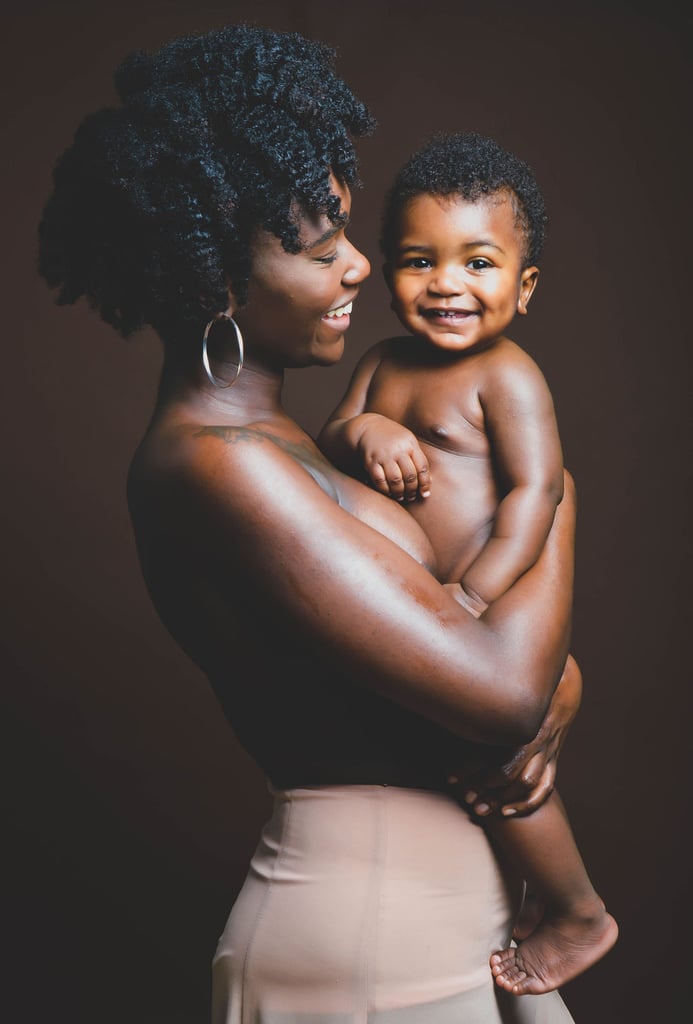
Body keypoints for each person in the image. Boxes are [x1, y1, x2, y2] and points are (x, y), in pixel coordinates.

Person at [39, 24, 584, 1023]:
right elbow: (504, 691)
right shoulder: (224, 468)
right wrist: (557, 492)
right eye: (322, 248)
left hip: (435, 927)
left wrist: (552, 685)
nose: (361, 271)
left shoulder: (280, 443)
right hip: (375, 938)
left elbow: (488, 675)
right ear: (217, 285)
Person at [318, 130, 618, 995]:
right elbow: (338, 431)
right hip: (429, 616)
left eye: (477, 263)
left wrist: (476, 596)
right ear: (385, 269)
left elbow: (536, 495)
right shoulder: (379, 363)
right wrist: (367, 429)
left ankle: (574, 910)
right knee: (448, 766)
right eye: (419, 260)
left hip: (489, 617)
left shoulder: (509, 377)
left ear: (522, 287)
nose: (446, 283)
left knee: (503, 773)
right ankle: (520, 901)